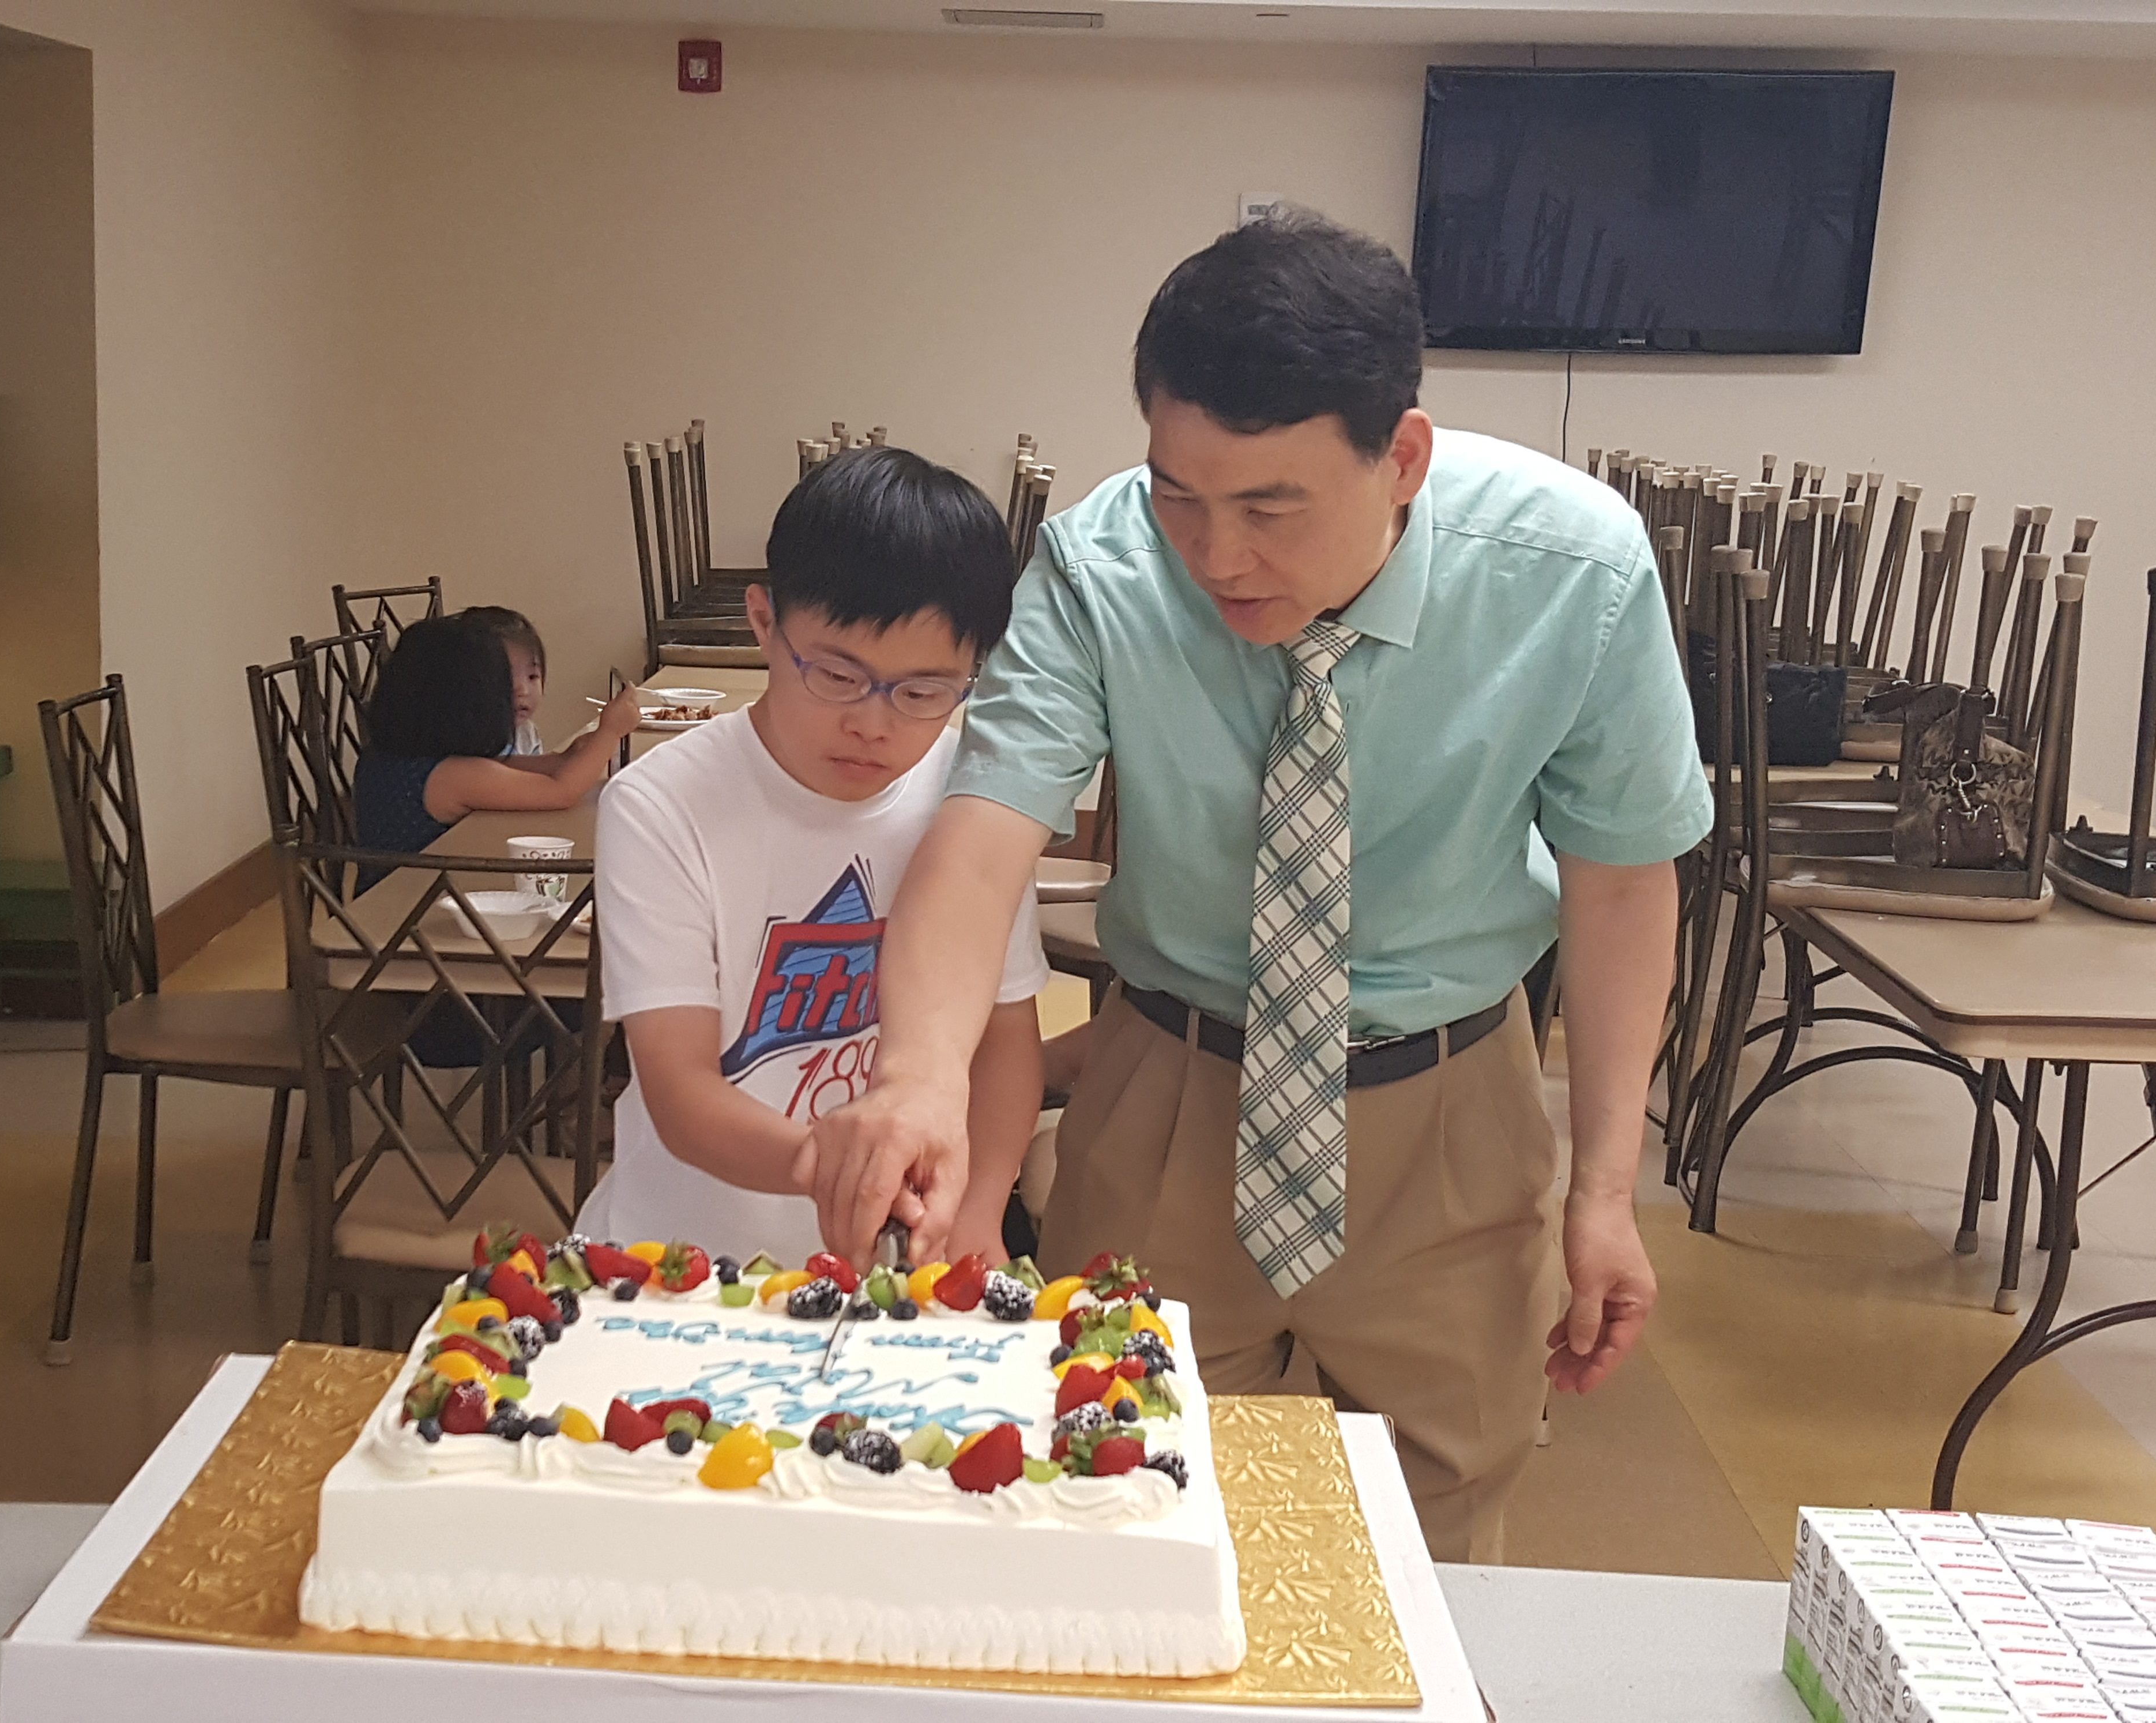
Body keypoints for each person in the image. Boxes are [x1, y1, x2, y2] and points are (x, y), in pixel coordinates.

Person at [800, 212, 1710, 1562]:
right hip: (1168, 1098)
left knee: (1434, 1537)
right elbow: (981, 834)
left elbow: (1621, 885)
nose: (1214, 553)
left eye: (1269, 508)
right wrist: (920, 1075)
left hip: (1447, 1116)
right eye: (1178, 492)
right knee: (1115, 1510)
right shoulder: (1102, 564)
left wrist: (1604, 1187)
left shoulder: (1569, 573)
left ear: (1401, 458)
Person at [575, 446, 1048, 1271]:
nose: (873, 723)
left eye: (924, 692)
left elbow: (1008, 1040)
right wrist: (842, 1167)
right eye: (836, 675)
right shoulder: (661, 805)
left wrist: (979, 1209)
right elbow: (680, 1093)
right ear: (764, 623)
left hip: (897, 1271)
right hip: (680, 1265)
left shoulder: (971, 800)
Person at [353, 614, 638, 870]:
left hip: (377, 896)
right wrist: (609, 733)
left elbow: (509, 767)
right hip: (410, 901)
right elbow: (560, 792)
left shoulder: (394, 753)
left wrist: (570, 757)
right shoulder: (453, 776)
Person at [453, 604, 551, 757]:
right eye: (506, 677)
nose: (523, 691)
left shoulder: (527, 732)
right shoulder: (463, 743)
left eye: (532, 677)